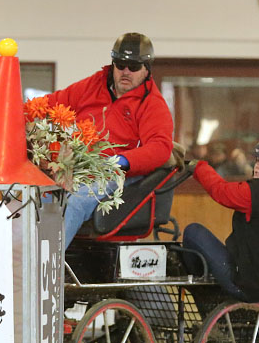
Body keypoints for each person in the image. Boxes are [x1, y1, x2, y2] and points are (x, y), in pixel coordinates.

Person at [40, 32, 174, 247]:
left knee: (78, 200)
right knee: (41, 195)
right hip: (78, 166)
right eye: (120, 64)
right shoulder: (93, 85)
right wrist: (17, 114)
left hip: (115, 172)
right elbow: (50, 104)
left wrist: (121, 161)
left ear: (147, 69)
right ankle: (20, 265)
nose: (126, 72)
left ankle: (47, 266)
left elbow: (160, 148)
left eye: (134, 67)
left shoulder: (152, 104)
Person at [182, 136, 259, 302]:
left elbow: (220, 191)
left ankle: (205, 295)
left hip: (243, 283)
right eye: (257, 161)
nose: (257, 167)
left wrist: (198, 167)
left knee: (193, 232)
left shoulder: (254, 193)